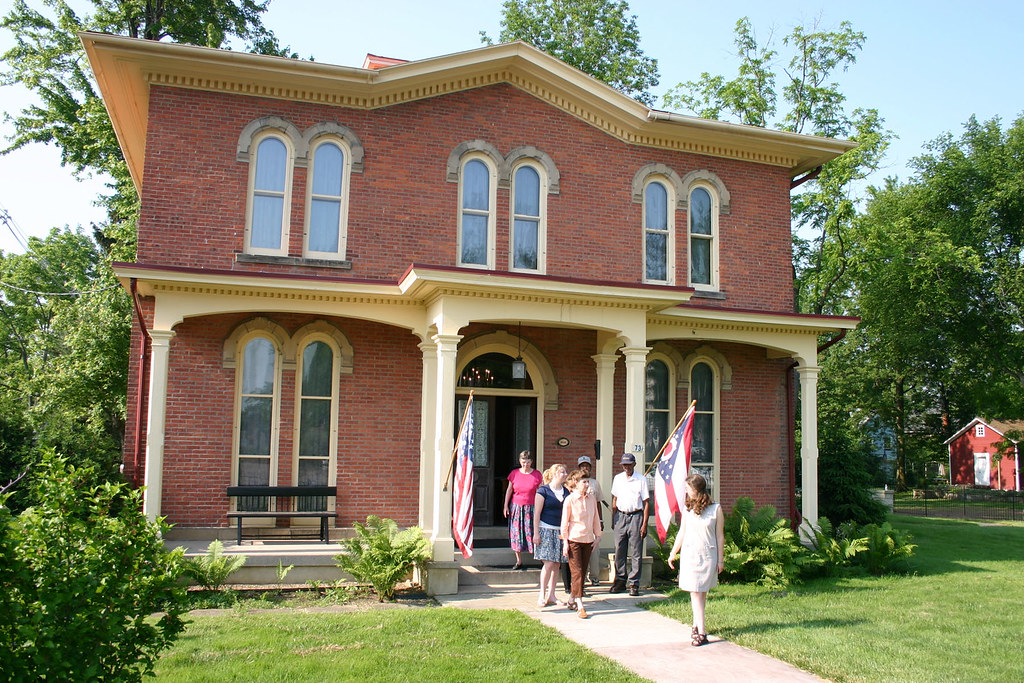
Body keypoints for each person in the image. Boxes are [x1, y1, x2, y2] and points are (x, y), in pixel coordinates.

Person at [668, 473, 725, 647]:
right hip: (690, 554)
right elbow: (682, 533)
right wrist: (673, 553)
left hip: (708, 554)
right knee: (695, 591)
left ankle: (699, 629)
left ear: (696, 489)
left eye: (687, 488)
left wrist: (721, 560)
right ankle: (700, 630)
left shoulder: (716, 509)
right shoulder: (688, 509)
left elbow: (720, 536)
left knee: (702, 592)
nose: (685, 491)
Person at [560, 467, 602, 619]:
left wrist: (598, 536)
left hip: (588, 539)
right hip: (574, 540)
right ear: (576, 483)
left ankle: (571, 599)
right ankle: (580, 604)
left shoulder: (591, 499)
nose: (587, 485)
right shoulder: (570, 500)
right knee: (576, 571)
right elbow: (564, 522)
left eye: (588, 482)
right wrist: (565, 541)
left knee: (582, 571)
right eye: (584, 482)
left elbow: (595, 518)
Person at [609, 452, 649, 596]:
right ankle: (620, 580)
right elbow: (614, 499)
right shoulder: (618, 479)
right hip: (621, 515)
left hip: (636, 516)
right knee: (619, 549)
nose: (626, 467)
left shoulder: (641, 479)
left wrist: (644, 524)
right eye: (624, 464)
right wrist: (614, 519)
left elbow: (646, 503)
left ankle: (634, 583)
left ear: (634, 464)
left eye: (629, 464)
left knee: (636, 551)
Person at [532, 463, 569, 608]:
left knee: (557, 564)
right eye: (562, 472)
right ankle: (542, 594)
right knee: (548, 563)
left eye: (565, 472)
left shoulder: (566, 492)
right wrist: (536, 533)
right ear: (554, 474)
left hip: (560, 531)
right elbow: (536, 514)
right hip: (545, 529)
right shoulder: (543, 491)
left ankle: (552, 595)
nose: (565, 474)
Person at [504, 450, 542, 570]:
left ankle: (541, 557)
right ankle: (519, 561)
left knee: (533, 533)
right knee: (516, 533)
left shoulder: (537, 475)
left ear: (531, 462)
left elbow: (540, 492)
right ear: (520, 461)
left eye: (528, 462)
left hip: (532, 508)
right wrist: (505, 505)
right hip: (516, 507)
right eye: (523, 461)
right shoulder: (514, 474)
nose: (526, 464)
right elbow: (509, 490)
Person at [577, 455, 606, 585]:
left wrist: (601, 521)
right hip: (579, 523)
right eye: (583, 466)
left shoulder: (595, 483)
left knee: (594, 551)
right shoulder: (575, 483)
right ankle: (581, 578)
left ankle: (594, 576)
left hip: (593, 522)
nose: (585, 468)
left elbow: (599, 502)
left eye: (587, 466)